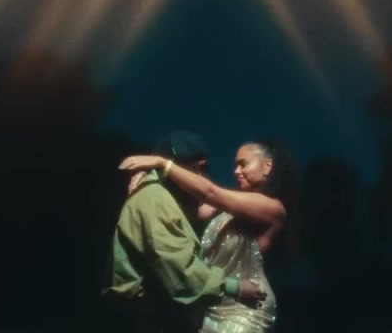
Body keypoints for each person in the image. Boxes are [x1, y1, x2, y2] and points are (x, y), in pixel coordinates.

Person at [120, 138, 296, 333]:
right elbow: (187, 202)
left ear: (268, 166)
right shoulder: (225, 206)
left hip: (246, 309)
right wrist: (152, 177)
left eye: (243, 164)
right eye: (235, 166)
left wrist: (162, 163)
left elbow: (210, 192)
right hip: (213, 305)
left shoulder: (273, 208)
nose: (236, 171)